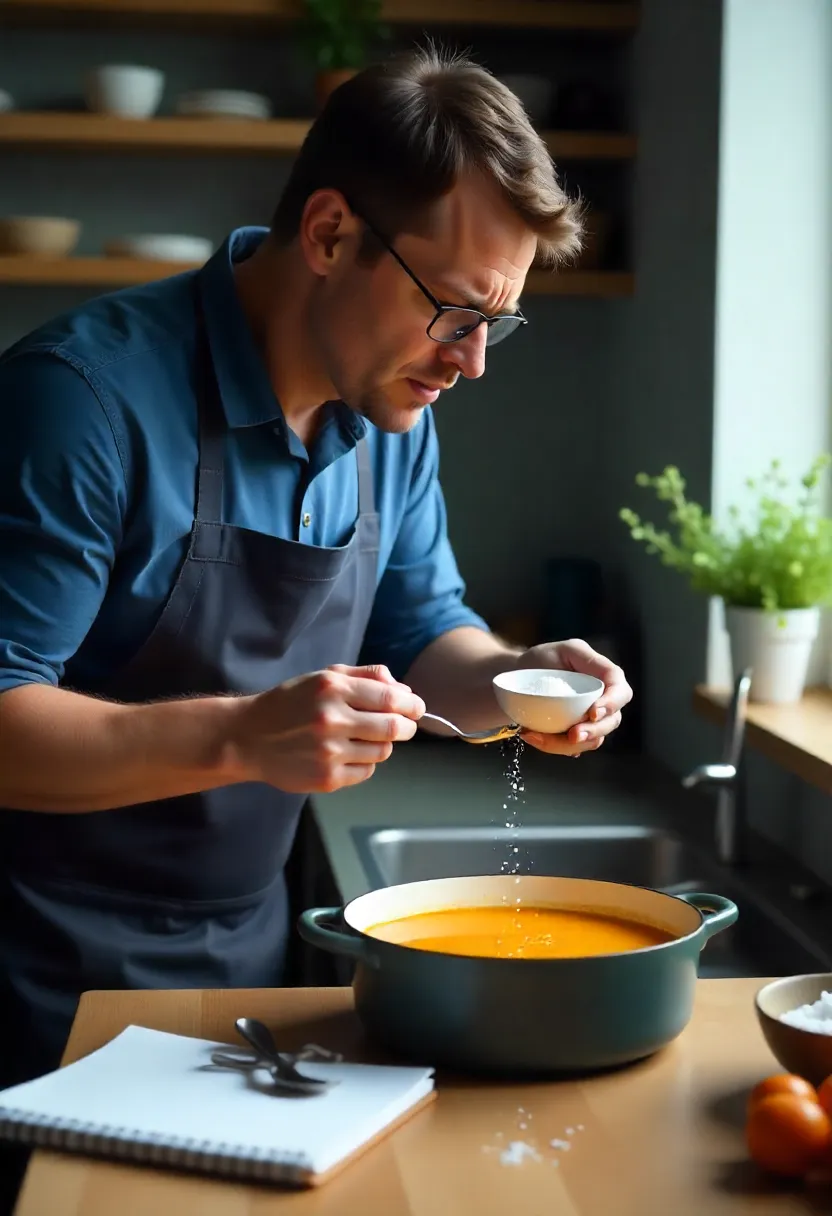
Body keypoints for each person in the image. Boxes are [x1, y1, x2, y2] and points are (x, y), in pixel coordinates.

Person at [0, 46, 633, 1105]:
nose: (472, 360)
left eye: (497, 323)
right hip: (35, 977)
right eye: (456, 311)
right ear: (332, 234)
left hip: (247, 964)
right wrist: (245, 735)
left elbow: (424, 630)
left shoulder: (391, 415)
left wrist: (518, 680)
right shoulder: (80, 402)